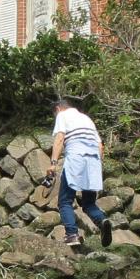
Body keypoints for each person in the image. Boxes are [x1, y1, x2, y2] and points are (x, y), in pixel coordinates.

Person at [44, 96, 111, 250]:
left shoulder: (62, 115)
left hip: (76, 158)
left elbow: (60, 138)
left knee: (65, 201)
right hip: (93, 161)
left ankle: (72, 234)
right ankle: (102, 221)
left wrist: (53, 163)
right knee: (89, 203)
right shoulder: (87, 119)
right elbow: (100, 146)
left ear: (58, 108)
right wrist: (96, 167)